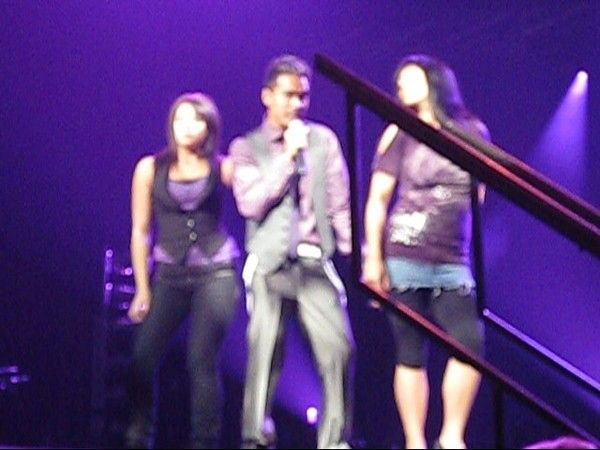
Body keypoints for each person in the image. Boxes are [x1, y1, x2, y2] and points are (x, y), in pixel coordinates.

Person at [362, 54, 489, 450]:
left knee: (469, 343)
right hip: (405, 251)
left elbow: (480, 193)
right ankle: (415, 441)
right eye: (398, 80)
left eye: (409, 78)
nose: (400, 85)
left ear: (434, 81)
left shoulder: (471, 131)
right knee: (411, 349)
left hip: (452, 256)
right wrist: (373, 258)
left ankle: (451, 435)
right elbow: (378, 199)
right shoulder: (398, 132)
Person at [229, 54, 355, 449]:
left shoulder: (324, 141)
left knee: (339, 349)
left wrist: (358, 256)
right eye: (289, 95)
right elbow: (250, 203)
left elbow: (339, 203)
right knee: (265, 350)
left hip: (314, 260)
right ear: (267, 96)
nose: (297, 104)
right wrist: (287, 156)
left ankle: (334, 442)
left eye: (303, 96)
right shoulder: (246, 147)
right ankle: (255, 438)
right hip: (268, 264)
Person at [124, 92, 240, 449]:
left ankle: (204, 442)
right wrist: (143, 289)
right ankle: (138, 437)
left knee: (200, 358)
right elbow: (141, 232)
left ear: (210, 127)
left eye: (196, 119)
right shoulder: (150, 168)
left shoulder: (223, 167)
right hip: (169, 275)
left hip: (216, 272)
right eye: (180, 119)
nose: (186, 127)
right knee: (142, 357)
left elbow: (255, 199)